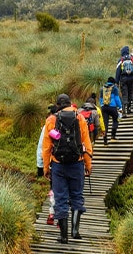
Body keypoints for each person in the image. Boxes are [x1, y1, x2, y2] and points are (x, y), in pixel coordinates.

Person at [41, 94, 94, 244]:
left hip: (58, 165)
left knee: (61, 198)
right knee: (77, 196)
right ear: (71, 103)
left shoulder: (51, 120)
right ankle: (75, 231)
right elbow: (86, 143)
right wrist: (88, 164)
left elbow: (46, 148)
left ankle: (63, 236)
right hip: (77, 163)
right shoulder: (80, 118)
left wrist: (46, 168)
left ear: (58, 105)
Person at [115, 46, 133, 114]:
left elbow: (118, 72)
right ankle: (129, 109)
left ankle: (124, 110)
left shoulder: (121, 60)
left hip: (123, 80)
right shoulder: (132, 59)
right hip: (131, 80)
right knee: (130, 93)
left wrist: (117, 82)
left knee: (124, 94)